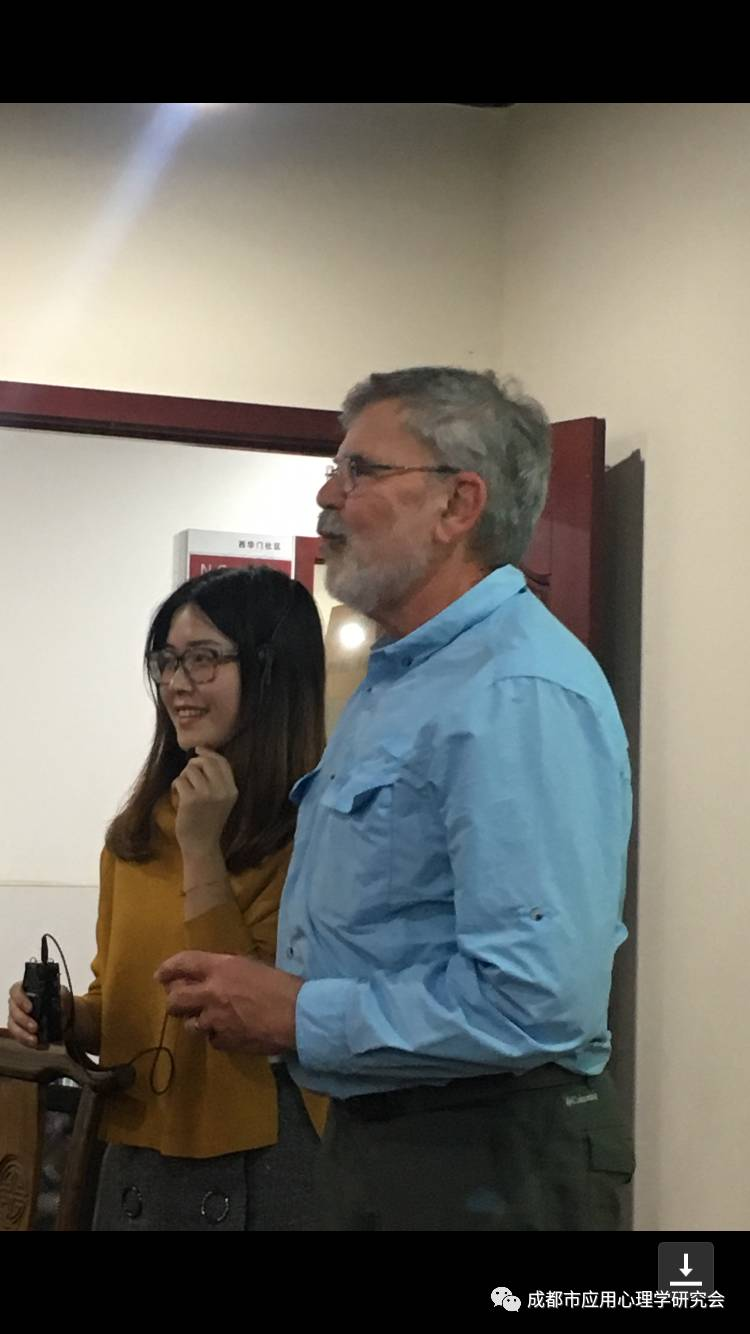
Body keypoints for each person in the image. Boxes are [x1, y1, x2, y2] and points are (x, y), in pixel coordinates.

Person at [157, 367, 634, 1232]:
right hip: (391, 1136)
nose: (326, 495)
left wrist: (299, 1013)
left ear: (459, 504)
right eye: (333, 469)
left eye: (361, 470)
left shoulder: (513, 690)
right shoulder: (405, 682)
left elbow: (534, 1001)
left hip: (483, 1154)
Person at [8, 565, 327, 1230]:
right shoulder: (136, 834)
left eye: (203, 658)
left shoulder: (317, 830)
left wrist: (202, 848)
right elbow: (121, 1006)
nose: (178, 683)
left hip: (260, 1159)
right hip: (131, 1156)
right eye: (166, 660)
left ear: (271, 669)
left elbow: (241, 1016)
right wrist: (64, 1016)